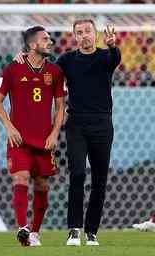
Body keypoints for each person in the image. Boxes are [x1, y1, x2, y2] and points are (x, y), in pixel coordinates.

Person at [0, 26, 66, 246]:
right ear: (32, 45)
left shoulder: (54, 72)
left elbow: (61, 106)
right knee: (20, 177)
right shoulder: (13, 69)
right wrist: (9, 127)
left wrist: (55, 133)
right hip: (19, 140)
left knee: (42, 186)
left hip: (45, 140)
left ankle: (34, 232)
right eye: (45, 39)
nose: (50, 42)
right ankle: (22, 227)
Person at [56, 20, 121, 246]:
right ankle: (74, 229)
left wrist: (113, 45)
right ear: (74, 36)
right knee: (77, 174)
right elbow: (49, 76)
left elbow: (116, 59)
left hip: (102, 123)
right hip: (76, 124)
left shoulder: (106, 57)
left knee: (100, 180)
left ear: (95, 34)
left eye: (88, 32)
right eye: (79, 32)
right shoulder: (66, 60)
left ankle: (91, 231)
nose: (84, 36)